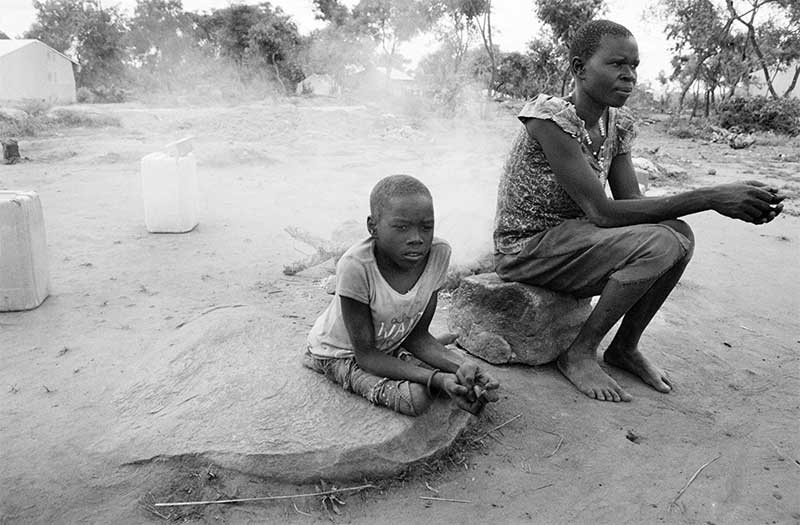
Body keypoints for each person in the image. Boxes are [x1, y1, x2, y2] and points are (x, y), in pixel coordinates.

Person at [493, 20, 785, 403]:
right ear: (579, 68)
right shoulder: (550, 119)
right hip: (528, 248)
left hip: (575, 239)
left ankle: (625, 347)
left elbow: (631, 203)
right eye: (617, 64)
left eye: (634, 65)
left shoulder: (615, 122)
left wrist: (710, 201)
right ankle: (579, 353)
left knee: (677, 233)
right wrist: (710, 197)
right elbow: (602, 212)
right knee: (659, 244)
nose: (629, 75)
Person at [305, 174, 500, 416]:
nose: (417, 239)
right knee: (415, 399)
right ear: (372, 227)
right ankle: (316, 361)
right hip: (341, 353)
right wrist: (436, 379)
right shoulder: (356, 266)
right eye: (401, 228)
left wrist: (465, 367)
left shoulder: (438, 254)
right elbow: (366, 356)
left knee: (462, 376)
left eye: (426, 227)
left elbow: (417, 336)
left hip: (391, 345)